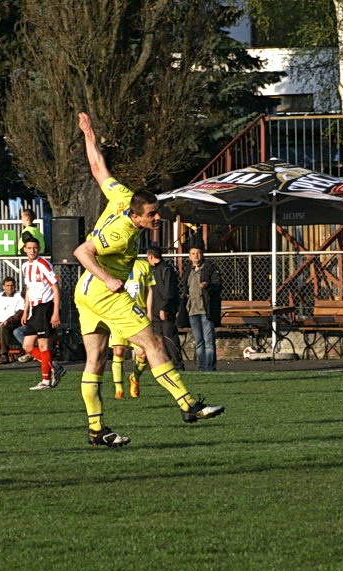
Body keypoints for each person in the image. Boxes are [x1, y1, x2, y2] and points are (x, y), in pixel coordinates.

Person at [72, 112, 223, 447]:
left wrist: (89, 134)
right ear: (136, 215)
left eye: (157, 211)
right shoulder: (121, 231)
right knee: (153, 343)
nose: (158, 217)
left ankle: (96, 431)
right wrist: (110, 280)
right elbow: (82, 252)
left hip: (84, 293)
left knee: (95, 360)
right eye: (152, 215)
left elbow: (99, 169)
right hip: (103, 292)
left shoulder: (123, 196)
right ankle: (188, 405)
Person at [20, 236, 64, 389]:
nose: (32, 251)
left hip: (46, 307)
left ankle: (45, 381)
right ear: (24, 249)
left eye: (35, 248)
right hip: (34, 309)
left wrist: (55, 313)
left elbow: (55, 289)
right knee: (27, 346)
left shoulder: (44, 264)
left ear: (39, 249)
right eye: (29, 248)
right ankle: (54, 367)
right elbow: (28, 289)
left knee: (44, 344)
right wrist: (25, 311)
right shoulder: (25, 266)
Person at [109, 257, 154, 399]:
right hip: (118, 313)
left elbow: (149, 290)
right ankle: (119, 390)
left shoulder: (144, 265)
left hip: (137, 314)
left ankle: (135, 377)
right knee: (118, 350)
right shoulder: (112, 264)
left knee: (142, 354)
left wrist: (149, 312)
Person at [183, 245, 222, 372]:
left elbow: (218, 285)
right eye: (193, 253)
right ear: (189, 256)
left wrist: (208, 286)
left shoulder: (210, 268)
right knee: (198, 340)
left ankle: (209, 367)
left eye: (198, 253)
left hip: (206, 309)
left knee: (208, 340)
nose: (196, 256)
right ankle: (202, 366)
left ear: (202, 254)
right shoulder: (188, 269)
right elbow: (184, 288)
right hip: (192, 309)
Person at [146, 246, 185, 370]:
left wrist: (164, 307)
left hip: (165, 309)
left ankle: (178, 365)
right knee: (159, 339)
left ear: (151, 256)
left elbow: (170, 291)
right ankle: (165, 365)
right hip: (155, 309)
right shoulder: (152, 271)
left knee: (169, 337)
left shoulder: (166, 269)